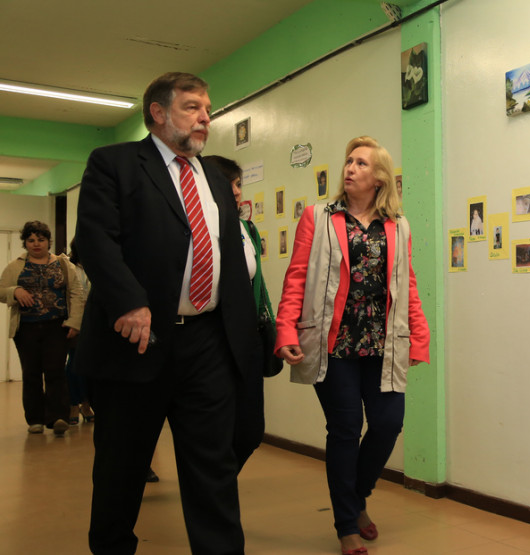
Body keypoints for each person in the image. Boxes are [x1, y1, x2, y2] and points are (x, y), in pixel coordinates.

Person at [75, 72, 257, 554]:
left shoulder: (215, 180)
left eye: (207, 109)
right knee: (122, 466)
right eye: (193, 107)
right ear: (157, 112)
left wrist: (248, 335)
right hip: (137, 342)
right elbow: (94, 240)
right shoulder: (114, 164)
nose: (205, 118)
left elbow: (231, 261)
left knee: (213, 465)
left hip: (206, 343)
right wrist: (130, 300)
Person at [275, 136, 430, 555]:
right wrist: (285, 330)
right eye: (348, 161)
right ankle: (346, 523)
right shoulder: (319, 217)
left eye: (361, 163)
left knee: (387, 424)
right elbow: (296, 277)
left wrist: (420, 334)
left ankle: (357, 497)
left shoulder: (399, 225)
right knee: (344, 430)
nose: (350, 168)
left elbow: (407, 284)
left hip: (383, 344)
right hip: (334, 344)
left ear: (379, 178)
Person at [204, 154, 277, 470]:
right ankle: (214, 493)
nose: (236, 191)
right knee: (212, 428)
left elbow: (256, 282)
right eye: (229, 183)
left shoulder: (247, 228)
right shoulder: (194, 225)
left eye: (238, 184)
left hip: (246, 337)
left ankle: (218, 483)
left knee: (249, 430)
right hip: (207, 337)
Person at [0, 221, 85, 436]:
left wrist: (75, 322)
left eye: (41, 239)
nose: (36, 244)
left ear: (48, 241)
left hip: (57, 326)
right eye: (31, 240)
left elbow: (76, 293)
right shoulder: (15, 266)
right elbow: (1, 290)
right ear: (25, 243)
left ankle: (58, 418)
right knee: (31, 373)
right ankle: (35, 420)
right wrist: (15, 291)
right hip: (26, 329)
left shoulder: (64, 265)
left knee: (56, 371)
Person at [64, 239, 94, 426]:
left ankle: (86, 404)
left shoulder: (97, 266)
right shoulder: (69, 267)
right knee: (73, 366)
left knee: (91, 368)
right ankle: (73, 404)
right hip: (75, 323)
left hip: (94, 325)